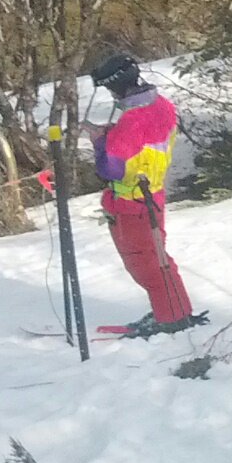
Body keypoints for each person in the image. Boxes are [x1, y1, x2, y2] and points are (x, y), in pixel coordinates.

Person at [84, 51, 195, 336]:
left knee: (144, 264)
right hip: (152, 195)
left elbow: (110, 168)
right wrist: (111, 132)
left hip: (132, 202)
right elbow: (145, 145)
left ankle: (170, 318)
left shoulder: (132, 122)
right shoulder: (161, 106)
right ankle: (173, 310)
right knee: (157, 259)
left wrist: (99, 141)